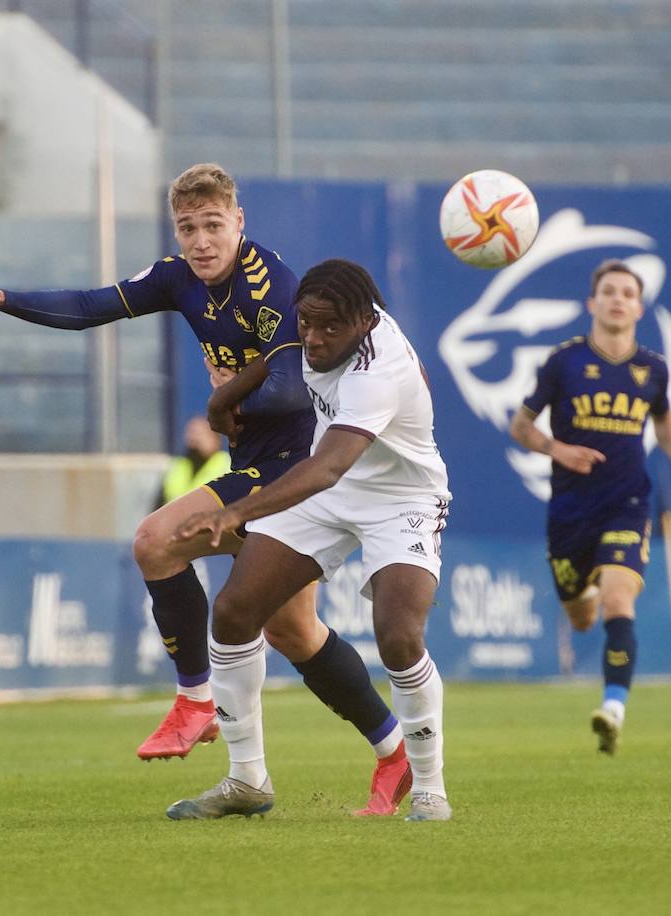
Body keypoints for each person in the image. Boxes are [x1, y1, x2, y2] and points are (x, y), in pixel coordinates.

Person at [0, 164, 412, 817]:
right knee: (293, 630)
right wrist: (1, 299)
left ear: (239, 223)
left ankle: (195, 701)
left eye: (213, 225)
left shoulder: (275, 286)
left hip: (295, 464)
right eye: (188, 227)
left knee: (156, 542)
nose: (201, 240)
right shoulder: (176, 276)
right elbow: (89, 305)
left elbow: (296, 383)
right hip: (255, 458)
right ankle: (391, 752)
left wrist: (235, 386)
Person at [167, 259, 455, 822]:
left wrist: (239, 513)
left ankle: (429, 787)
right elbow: (281, 356)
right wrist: (221, 404)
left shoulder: (380, 370)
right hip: (331, 493)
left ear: (365, 323)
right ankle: (246, 780)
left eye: (330, 329)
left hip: (401, 499)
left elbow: (323, 469)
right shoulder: (315, 330)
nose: (315, 339)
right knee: (234, 610)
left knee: (398, 638)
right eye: (307, 323)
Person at [509, 259, 671, 755]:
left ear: (639, 306)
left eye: (627, 293)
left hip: (628, 503)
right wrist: (557, 449)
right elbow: (522, 426)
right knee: (581, 617)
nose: (618, 299)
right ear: (592, 303)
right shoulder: (564, 362)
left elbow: (663, 419)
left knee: (620, 600)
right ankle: (585, 595)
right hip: (571, 510)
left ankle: (613, 709)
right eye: (609, 292)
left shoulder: (653, 369)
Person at [155, 415, 231, 511]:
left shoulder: (226, 464)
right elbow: (159, 504)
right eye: (191, 434)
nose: (194, 439)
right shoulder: (178, 465)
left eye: (200, 434)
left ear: (215, 439)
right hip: (175, 524)